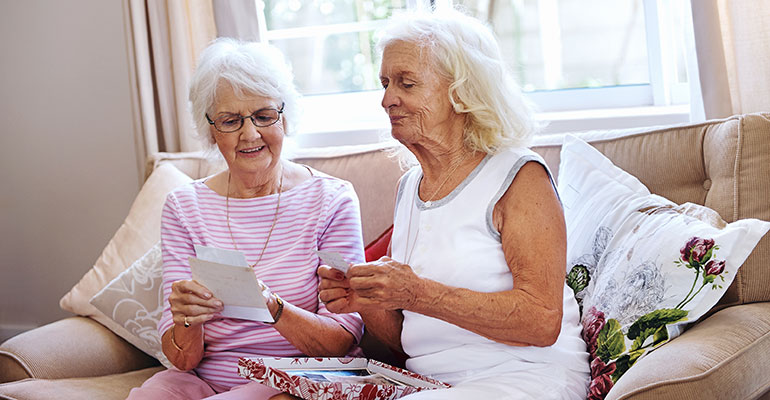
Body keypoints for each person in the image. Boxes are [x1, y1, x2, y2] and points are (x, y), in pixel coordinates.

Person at [318, 9, 590, 399]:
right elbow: (414, 340)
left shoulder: (518, 175)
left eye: (406, 84)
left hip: (526, 377)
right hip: (432, 386)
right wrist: (365, 303)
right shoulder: (409, 187)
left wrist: (417, 293)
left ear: (460, 93)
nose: (386, 99)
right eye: (384, 83)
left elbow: (542, 322)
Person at [128, 38, 365, 399]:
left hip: (301, 377)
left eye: (264, 116)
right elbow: (183, 359)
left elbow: (342, 338)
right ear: (211, 129)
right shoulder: (184, 207)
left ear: (285, 117)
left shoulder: (330, 199)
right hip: (206, 381)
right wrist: (187, 319)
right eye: (230, 120)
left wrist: (273, 306)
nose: (250, 133)